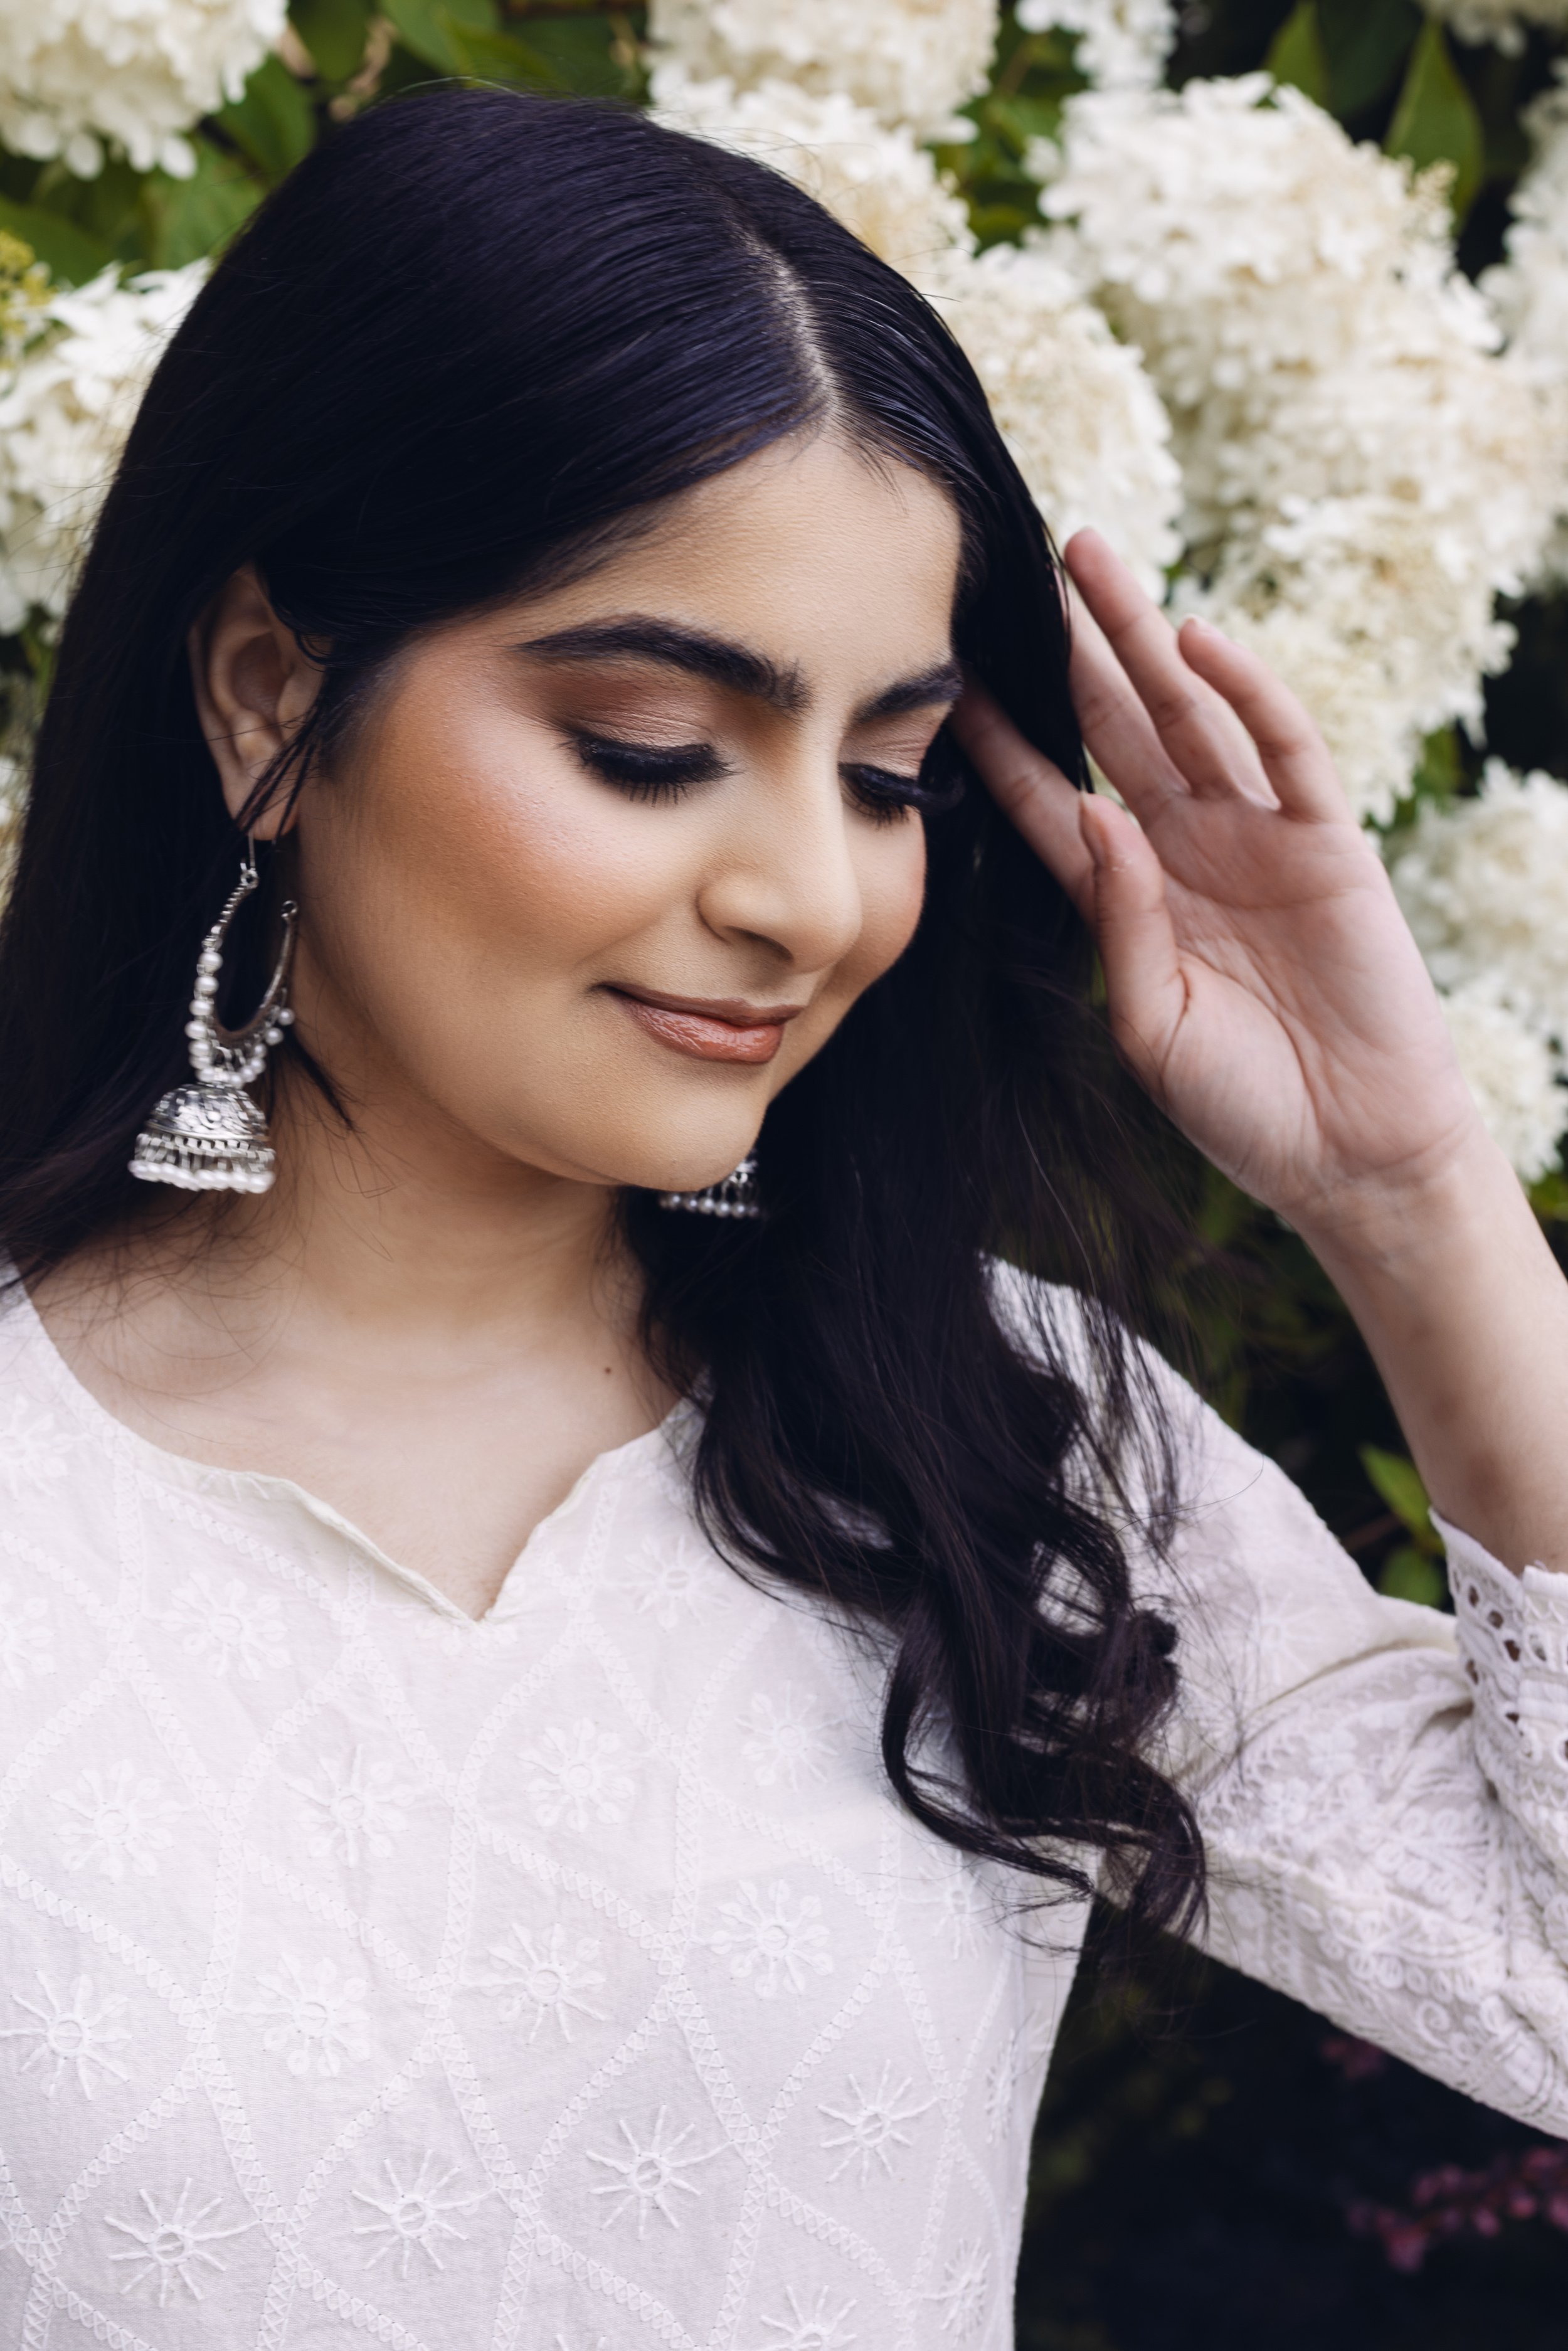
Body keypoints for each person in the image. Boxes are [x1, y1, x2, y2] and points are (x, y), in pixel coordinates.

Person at [1, 84, 1565, 2350]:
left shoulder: (983, 1434)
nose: (810, 896)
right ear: (267, 695)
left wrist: (1408, 1192)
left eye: (886, 774)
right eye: (651, 744)